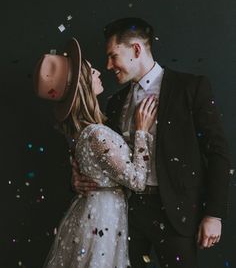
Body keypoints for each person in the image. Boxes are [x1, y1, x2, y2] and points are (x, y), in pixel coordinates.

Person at [73, 18, 230, 268]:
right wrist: (79, 174)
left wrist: (214, 213)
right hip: (126, 214)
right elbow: (105, 153)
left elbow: (218, 152)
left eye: (113, 56)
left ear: (136, 49)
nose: (108, 65)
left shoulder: (190, 88)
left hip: (177, 214)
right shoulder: (115, 102)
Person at [34, 37, 158, 268]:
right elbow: (138, 181)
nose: (100, 72)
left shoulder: (84, 133)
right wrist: (141, 131)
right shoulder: (96, 135)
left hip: (97, 214)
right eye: (92, 72)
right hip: (102, 220)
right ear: (82, 85)